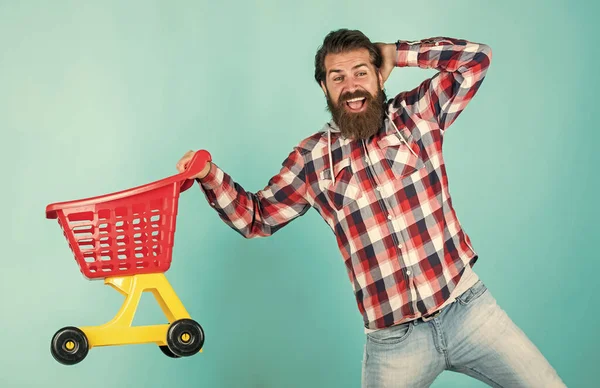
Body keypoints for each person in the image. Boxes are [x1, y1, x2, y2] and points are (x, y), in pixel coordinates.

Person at [177, 29, 565, 387]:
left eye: (361, 72)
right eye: (337, 77)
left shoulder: (418, 115)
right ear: (325, 89)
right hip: (394, 342)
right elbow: (255, 218)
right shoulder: (312, 159)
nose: (350, 86)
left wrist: (398, 53)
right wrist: (210, 174)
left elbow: (476, 60)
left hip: (467, 310)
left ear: (380, 76)